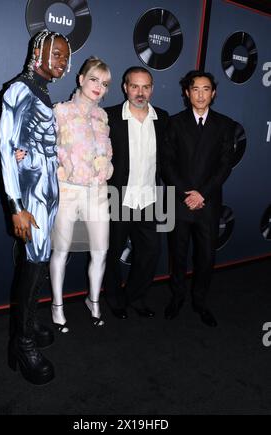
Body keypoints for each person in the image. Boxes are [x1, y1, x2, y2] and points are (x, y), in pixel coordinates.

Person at [0, 30, 71, 384]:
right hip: (30, 197)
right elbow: (6, 151)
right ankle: (22, 343)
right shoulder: (19, 90)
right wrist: (16, 205)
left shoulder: (42, 92)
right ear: (38, 53)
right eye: (55, 54)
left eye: (64, 56)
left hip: (48, 193)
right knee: (33, 263)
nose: (61, 61)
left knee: (39, 261)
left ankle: (28, 323)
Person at [162, 70, 235, 327]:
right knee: (178, 254)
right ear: (187, 92)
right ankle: (178, 296)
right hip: (180, 202)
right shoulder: (174, 123)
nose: (201, 94)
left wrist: (202, 193)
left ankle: (200, 301)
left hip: (208, 203)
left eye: (206, 89)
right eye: (195, 89)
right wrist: (186, 194)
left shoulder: (225, 125)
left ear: (213, 93)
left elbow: (224, 166)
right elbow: (167, 164)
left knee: (206, 256)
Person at [49, 57, 113, 331]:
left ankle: (94, 301)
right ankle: (57, 305)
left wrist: (107, 166)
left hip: (98, 192)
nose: (100, 87)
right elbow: (45, 151)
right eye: (95, 80)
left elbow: (107, 151)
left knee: (101, 250)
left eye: (105, 83)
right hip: (67, 191)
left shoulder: (103, 115)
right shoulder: (60, 111)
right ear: (81, 79)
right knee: (61, 251)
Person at [103, 66, 169, 319]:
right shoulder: (108, 117)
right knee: (111, 254)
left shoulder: (163, 118)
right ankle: (114, 299)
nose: (140, 92)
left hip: (152, 199)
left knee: (151, 253)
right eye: (135, 86)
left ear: (151, 89)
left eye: (146, 87)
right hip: (118, 198)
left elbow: (169, 160)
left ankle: (135, 297)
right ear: (125, 87)